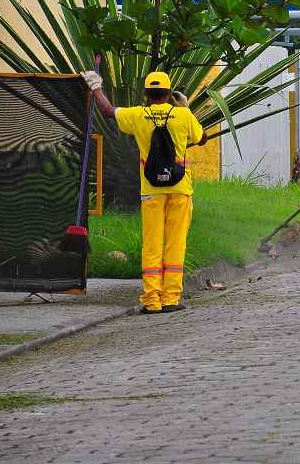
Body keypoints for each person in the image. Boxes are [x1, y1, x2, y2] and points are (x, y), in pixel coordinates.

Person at [81, 69, 207, 314]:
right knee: (175, 243)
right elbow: (201, 138)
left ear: (146, 94)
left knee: (152, 244)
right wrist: (186, 109)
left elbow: (108, 111)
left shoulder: (138, 115)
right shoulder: (182, 115)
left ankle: (151, 300)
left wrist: (95, 85)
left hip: (151, 191)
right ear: (169, 93)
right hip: (180, 189)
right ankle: (171, 298)